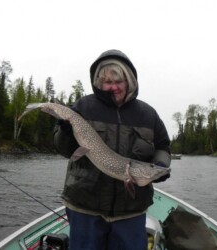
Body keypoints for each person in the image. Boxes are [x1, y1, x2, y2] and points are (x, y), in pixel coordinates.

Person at [53, 49, 171, 250]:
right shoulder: (83, 107)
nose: (114, 87)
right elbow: (64, 150)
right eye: (108, 82)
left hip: (130, 211)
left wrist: (160, 165)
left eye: (119, 82)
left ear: (129, 81)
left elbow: (163, 147)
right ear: (99, 83)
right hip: (85, 207)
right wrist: (65, 132)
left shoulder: (148, 114)